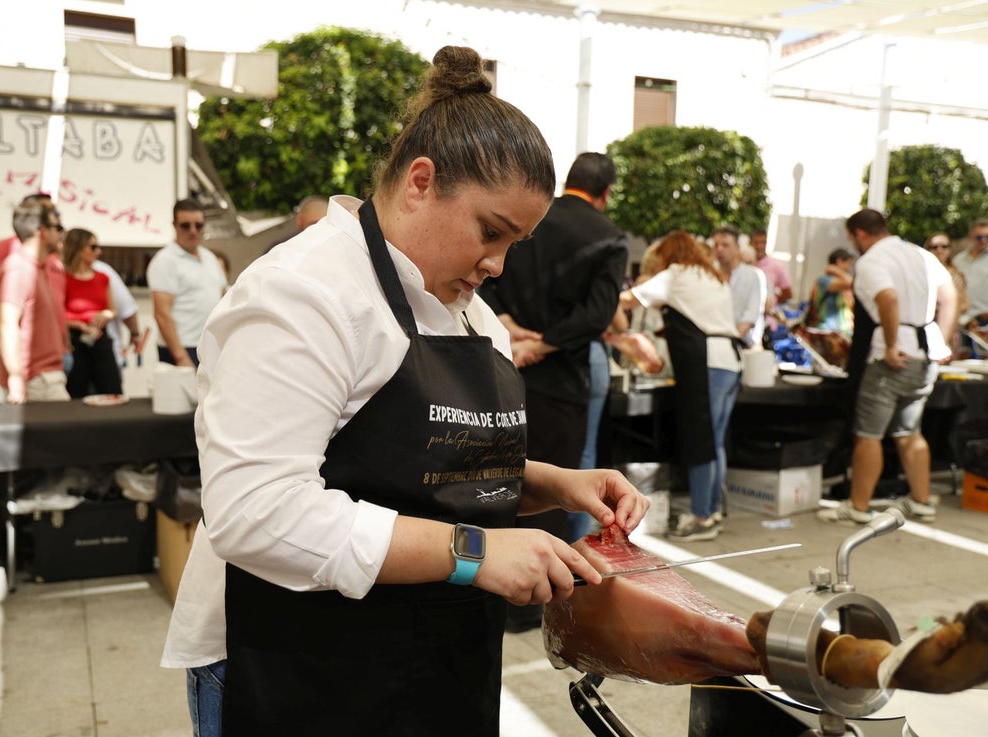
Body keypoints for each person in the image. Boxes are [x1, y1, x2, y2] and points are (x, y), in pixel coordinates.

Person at [161, 46, 649, 737]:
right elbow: (254, 512)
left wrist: (557, 484)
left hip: (434, 659)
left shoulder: (473, 314)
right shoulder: (304, 293)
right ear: (421, 181)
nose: (497, 265)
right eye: (491, 232)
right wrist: (476, 551)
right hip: (299, 663)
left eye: (516, 244)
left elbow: (440, 473)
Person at [476, 151, 628, 617]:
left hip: (500, 366)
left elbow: (489, 273)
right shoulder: (608, 238)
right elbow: (597, 316)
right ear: (605, 194)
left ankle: (498, 587)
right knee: (561, 481)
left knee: (499, 475)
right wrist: (542, 346)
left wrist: (509, 331)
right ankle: (535, 601)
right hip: (561, 378)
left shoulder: (530, 220)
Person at [818, 209, 956, 526]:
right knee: (909, 431)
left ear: (860, 234)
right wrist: (943, 341)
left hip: (894, 356)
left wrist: (892, 345)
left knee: (868, 434)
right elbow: (950, 297)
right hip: (924, 355)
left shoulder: (873, 261)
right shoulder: (919, 253)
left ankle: (859, 505)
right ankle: (921, 501)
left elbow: (888, 299)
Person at [619, 230, 742, 541]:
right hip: (729, 361)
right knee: (714, 441)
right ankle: (713, 509)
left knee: (701, 439)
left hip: (706, 363)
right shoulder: (712, 275)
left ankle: (701, 517)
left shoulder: (675, 274)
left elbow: (629, 299)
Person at [0, 199, 70, 404]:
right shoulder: (18, 269)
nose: (62, 233)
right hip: (36, 380)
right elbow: (7, 324)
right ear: (42, 231)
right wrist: (16, 377)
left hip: (46, 376)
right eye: (58, 227)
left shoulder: (39, 266)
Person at [146, 199, 228, 367]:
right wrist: (181, 357)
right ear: (174, 225)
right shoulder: (165, 261)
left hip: (209, 345)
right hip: (182, 348)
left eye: (198, 225)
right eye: (186, 225)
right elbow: (162, 315)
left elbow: (224, 298)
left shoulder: (209, 257)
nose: (193, 231)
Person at [61, 228, 122, 398]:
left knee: (112, 390)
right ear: (79, 248)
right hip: (75, 341)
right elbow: (56, 314)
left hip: (99, 337)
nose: (98, 251)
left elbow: (113, 309)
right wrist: (77, 324)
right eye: (93, 247)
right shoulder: (63, 278)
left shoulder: (102, 277)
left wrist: (107, 315)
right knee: (76, 393)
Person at [0, 192, 53, 316]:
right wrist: (9, 321)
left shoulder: (54, 250)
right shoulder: (8, 246)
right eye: (48, 211)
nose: (54, 217)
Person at [712, 224, 766, 348]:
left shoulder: (752, 276)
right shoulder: (708, 276)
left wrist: (732, 339)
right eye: (716, 245)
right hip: (713, 343)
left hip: (743, 344)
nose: (720, 249)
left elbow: (751, 314)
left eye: (725, 245)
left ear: (737, 247)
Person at [924, 232, 968, 358]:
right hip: (924, 327)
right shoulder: (920, 272)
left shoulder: (956, 275)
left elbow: (964, 304)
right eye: (934, 247)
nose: (940, 250)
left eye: (944, 246)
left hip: (949, 329)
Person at [952, 219, 988, 356]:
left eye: (987, 237)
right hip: (962, 321)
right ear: (971, 238)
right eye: (979, 237)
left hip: (985, 321)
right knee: (961, 362)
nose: (983, 240)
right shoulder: (958, 260)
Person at [802, 247, 855, 335]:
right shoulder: (824, 281)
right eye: (848, 263)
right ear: (839, 261)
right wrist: (835, 270)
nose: (849, 268)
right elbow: (852, 283)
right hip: (826, 331)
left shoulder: (844, 283)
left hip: (843, 333)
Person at [750, 227, 792, 334]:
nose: (759, 246)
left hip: (766, 323)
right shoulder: (745, 264)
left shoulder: (776, 266)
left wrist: (773, 299)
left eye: (763, 242)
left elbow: (788, 292)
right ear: (750, 243)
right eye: (756, 243)